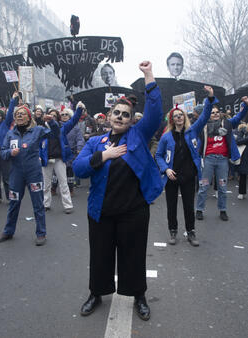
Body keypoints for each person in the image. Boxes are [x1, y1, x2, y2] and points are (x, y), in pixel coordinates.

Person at [73, 61, 163, 321]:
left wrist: (149, 77)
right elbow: (79, 169)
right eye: (117, 113)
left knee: (133, 256)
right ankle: (96, 293)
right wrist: (104, 155)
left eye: (126, 114)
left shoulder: (138, 135)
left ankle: (139, 296)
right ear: (109, 116)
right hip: (101, 211)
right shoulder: (94, 142)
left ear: (131, 119)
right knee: (100, 256)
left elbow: (155, 113)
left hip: (133, 212)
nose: (121, 117)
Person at [155, 86, 217, 246]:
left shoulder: (192, 131)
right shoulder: (166, 137)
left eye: (180, 115)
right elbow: (159, 155)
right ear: (172, 119)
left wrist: (210, 98)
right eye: (175, 116)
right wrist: (166, 169)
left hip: (189, 176)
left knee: (189, 206)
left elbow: (204, 116)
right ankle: (173, 231)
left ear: (184, 117)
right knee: (171, 207)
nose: (178, 118)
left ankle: (191, 232)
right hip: (171, 176)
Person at [0, 103, 59, 246]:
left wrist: (52, 122)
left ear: (29, 117)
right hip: (16, 174)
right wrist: (10, 152)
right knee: (13, 203)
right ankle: (8, 231)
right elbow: (2, 152)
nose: (19, 116)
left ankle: (41, 233)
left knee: (38, 203)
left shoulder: (37, 130)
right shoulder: (10, 134)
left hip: (33, 173)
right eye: (17, 114)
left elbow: (55, 134)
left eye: (22, 114)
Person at [196, 98, 248, 221]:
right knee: (203, 186)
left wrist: (246, 104)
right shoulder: (203, 125)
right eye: (212, 112)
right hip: (208, 159)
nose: (215, 114)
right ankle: (199, 210)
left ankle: (223, 210)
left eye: (217, 112)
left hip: (222, 161)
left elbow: (240, 115)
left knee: (222, 187)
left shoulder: (227, 123)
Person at [40, 103, 84, 213]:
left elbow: (74, 120)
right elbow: (37, 144)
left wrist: (78, 109)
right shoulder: (41, 130)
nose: (51, 118)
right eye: (50, 116)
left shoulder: (62, 129)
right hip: (46, 159)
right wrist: (39, 156)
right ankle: (46, 204)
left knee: (63, 183)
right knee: (46, 185)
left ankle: (68, 206)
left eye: (54, 116)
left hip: (59, 159)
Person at [51, 108, 85, 196]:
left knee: (70, 172)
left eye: (66, 114)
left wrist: (79, 148)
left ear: (70, 116)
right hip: (59, 152)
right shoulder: (57, 126)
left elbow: (80, 139)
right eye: (62, 114)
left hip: (70, 153)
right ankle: (53, 188)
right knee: (56, 173)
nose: (64, 116)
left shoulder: (75, 128)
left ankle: (71, 189)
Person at [0, 93, 17, 205]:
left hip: (3, 152)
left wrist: (13, 100)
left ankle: (9, 197)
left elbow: (10, 112)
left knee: (6, 177)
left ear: (2, 117)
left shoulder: (5, 124)